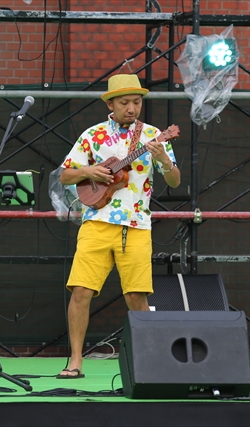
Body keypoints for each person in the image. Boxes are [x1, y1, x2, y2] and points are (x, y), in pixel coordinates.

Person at [56, 74, 181, 378]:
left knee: (137, 295)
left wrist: (164, 159)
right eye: (124, 102)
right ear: (110, 104)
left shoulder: (153, 135)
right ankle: (75, 361)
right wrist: (90, 171)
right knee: (81, 290)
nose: (131, 108)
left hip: (136, 224)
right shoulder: (93, 135)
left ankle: (151, 363)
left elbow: (175, 181)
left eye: (137, 102)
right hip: (96, 222)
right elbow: (65, 175)